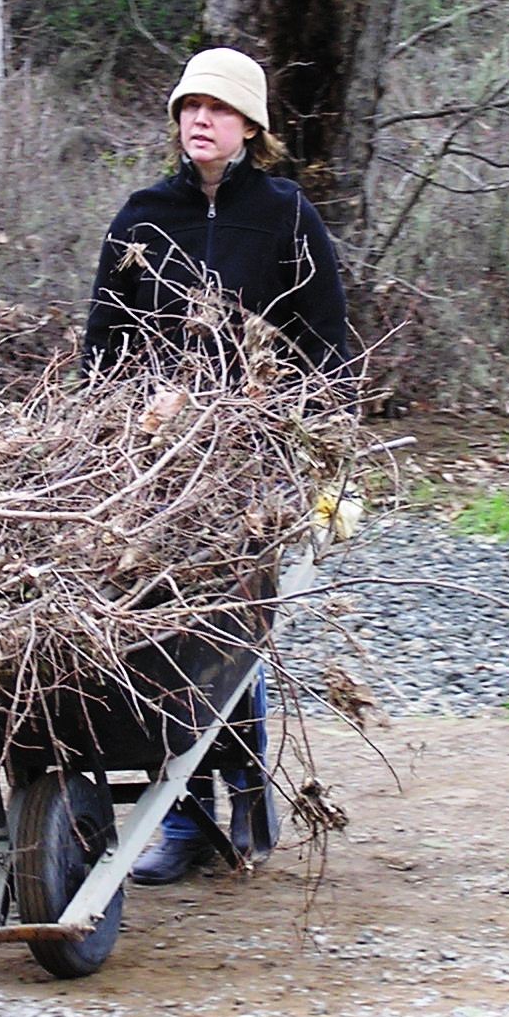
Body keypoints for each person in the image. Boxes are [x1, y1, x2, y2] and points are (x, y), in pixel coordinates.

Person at [84, 46, 348, 885]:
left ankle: (241, 790)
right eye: (190, 107)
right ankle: (194, 814)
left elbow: (325, 346)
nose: (201, 120)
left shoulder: (284, 214)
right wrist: (122, 426)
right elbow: (104, 348)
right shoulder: (141, 216)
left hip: (247, 461)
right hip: (153, 467)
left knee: (232, 629)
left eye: (220, 110)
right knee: (163, 634)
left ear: (251, 129)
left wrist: (294, 432)